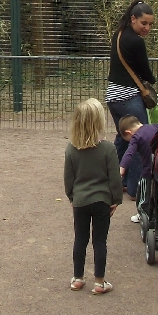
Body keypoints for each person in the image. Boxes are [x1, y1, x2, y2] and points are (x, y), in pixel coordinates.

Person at [64, 98, 122, 295]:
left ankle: (78, 278)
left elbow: (68, 178)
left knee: (80, 239)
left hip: (80, 201)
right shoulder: (108, 149)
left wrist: (72, 197)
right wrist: (116, 200)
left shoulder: (72, 149)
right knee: (99, 241)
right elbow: (115, 178)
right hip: (101, 201)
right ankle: (99, 281)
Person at [106, 0, 156, 163]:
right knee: (141, 138)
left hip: (113, 96)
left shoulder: (118, 34)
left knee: (123, 137)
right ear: (133, 18)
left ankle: (114, 175)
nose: (147, 28)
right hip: (129, 96)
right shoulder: (136, 41)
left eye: (150, 24)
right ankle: (136, 183)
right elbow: (145, 71)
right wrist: (152, 81)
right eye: (144, 23)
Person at [117, 115, 158, 221]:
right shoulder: (155, 127)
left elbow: (129, 153)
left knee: (143, 195)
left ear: (128, 132)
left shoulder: (136, 137)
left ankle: (144, 216)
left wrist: (122, 168)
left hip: (148, 171)